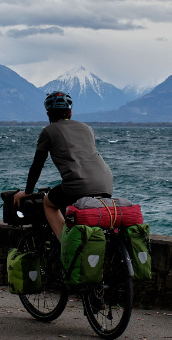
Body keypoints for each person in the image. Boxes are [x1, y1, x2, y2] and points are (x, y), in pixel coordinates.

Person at [13, 91, 113, 239]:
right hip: (105, 183)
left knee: (49, 203)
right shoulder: (87, 129)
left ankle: (65, 246)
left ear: (48, 114)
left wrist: (27, 191)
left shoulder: (48, 131)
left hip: (77, 185)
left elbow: (37, 164)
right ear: (70, 112)